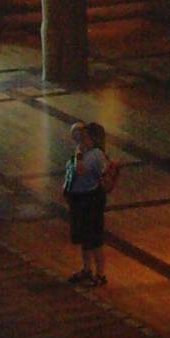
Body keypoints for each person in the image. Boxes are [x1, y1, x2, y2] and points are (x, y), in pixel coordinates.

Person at [62, 121, 106, 287]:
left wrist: (79, 154)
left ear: (93, 138)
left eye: (85, 136)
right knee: (83, 237)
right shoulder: (84, 150)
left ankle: (100, 273)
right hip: (79, 198)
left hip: (90, 199)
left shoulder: (95, 154)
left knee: (94, 238)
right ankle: (86, 268)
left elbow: (80, 169)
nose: (81, 139)